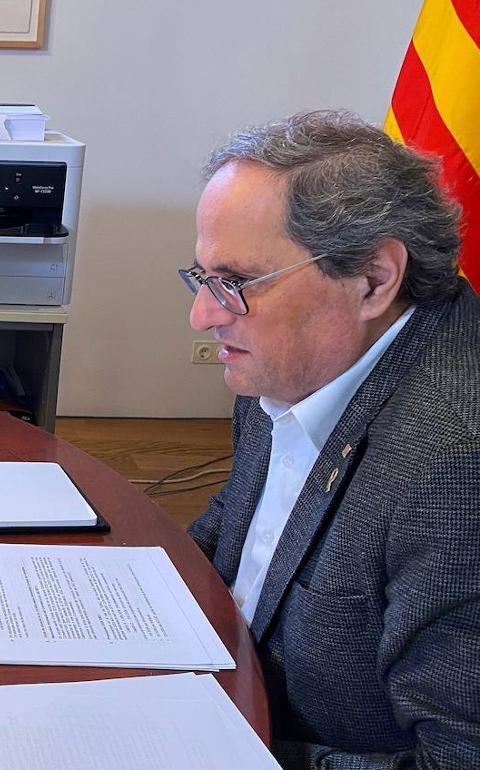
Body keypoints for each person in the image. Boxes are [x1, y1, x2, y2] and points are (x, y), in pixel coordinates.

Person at [183, 110, 480, 769]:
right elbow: (239, 526)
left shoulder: (456, 468)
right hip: (218, 685)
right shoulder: (295, 358)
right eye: (203, 278)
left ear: (373, 279)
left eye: (235, 283)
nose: (204, 314)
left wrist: (209, 749)